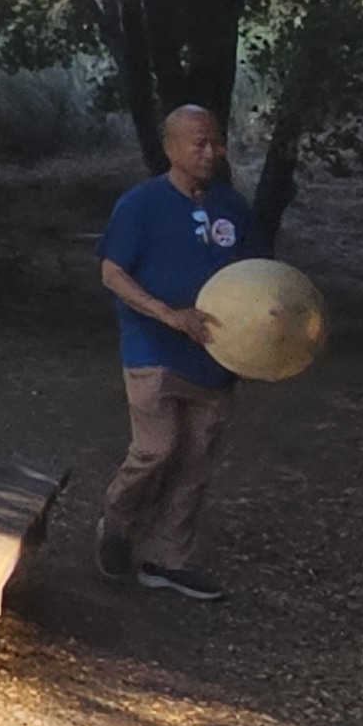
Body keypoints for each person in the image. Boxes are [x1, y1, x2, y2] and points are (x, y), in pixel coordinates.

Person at [94, 102, 259, 602]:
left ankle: (166, 560)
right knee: (157, 449)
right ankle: (117, 524)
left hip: (216, 357)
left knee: (195, 460)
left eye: (217, 142)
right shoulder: (140, 205)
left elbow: (256, 276)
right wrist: (168, 315)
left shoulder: (232, 207)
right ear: (171, 148)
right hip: (154, 349)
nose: (211, 152)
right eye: (199, 143)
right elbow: (112, 273)